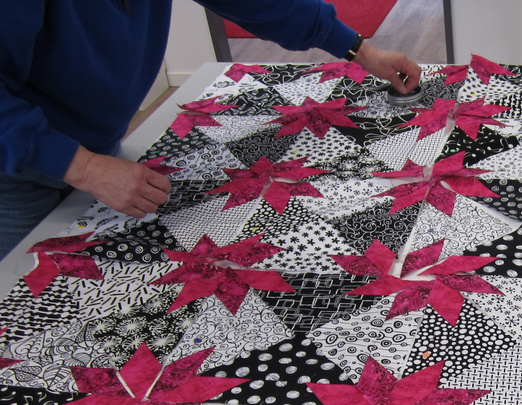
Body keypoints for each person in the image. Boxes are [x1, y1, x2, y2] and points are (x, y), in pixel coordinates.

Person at [0, 0, 422, 259]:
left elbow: (263, 5)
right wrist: (85, 168)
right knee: (29, 300)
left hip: (93, 144)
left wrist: (359, 49)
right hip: (16, 170)